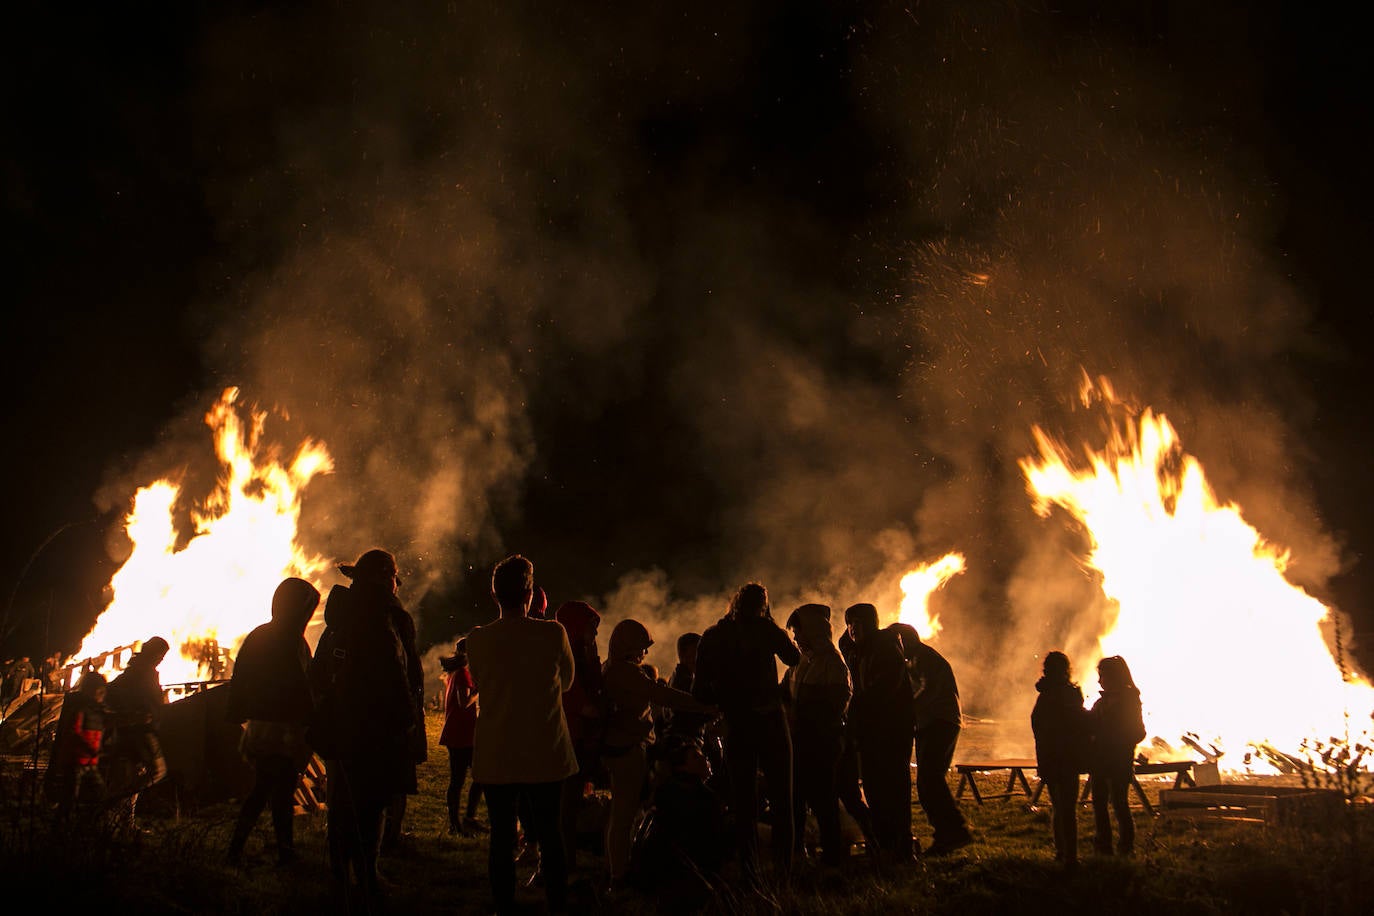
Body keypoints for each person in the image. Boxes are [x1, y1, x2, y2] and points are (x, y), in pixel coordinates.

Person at [465, 555, 578, 916]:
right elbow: (568, 682)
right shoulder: (552, 633)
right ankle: (557, 904)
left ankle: (503, 906)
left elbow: (480, 682)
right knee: (550, 833)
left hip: (498, 751)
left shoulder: (478, 639)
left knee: (501, 836)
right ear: (529, 593)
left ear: (495, 595)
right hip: (545, 749)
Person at [308, 549, 417, 899]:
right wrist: (406, 718)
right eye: (393, 576)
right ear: (383, 577)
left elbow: (318, 671)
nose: (396, 584)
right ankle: (367, 875)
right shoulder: (381, 616)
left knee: (342, 802)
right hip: (375, 726)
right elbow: (395, 670)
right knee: (372, 804)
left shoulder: (340, 617)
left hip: (340, 725)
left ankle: (340, 873)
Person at [693, 582, 800, 882]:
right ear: (763, 606)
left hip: (738, 724)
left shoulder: (712, 637)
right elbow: (794, 658)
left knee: (743, 801)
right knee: (782, 797)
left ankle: (749, 869)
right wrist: (772, 625)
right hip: (770, 720)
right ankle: (783, 870)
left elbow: (700, 691)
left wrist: (725, 701)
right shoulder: (766, 630)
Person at [600, 618, 717, 892]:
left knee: (620, 814)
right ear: (629, 646)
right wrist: (703, 706)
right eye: (642, 646)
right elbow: (662, 695)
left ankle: (615, 869)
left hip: (622, 747)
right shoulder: (625, 672)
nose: (646, 653)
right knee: (624, 815)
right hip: (629, 749)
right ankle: (619, 876)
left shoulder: (614, 668)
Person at [225, 577, 320, 866]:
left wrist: (237, 710)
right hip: (282, 728)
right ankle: (281, 850)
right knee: (276, 792)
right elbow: (301, 684)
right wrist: (313, 715)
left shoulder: (260, 634)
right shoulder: (290, 639)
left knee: (266, 789)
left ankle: (247, 848)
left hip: (263, 726)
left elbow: (240, 676)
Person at [889, 621, 973, 857]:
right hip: (933, 722)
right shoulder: (915, 658)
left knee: (930, 779)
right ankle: (948, 833)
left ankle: (954, 831)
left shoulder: (924, 658)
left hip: (940, 721)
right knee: (928, 781)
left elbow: (928, 689)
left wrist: (908, 711)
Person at [782, 604, 852, 867]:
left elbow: (835, 704)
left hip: (822, 741)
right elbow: (784, 693)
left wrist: (800, 713)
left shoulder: (832, 662)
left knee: (823, 799)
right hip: (800, 741)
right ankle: (798, 851)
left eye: (798, 631)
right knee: (796, 797)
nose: (795, 638)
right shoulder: (800, 661)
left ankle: (833, 854)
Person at [844, 607, 915, 864]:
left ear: (870, 624)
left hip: (890, 730)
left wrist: (857, 712)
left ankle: (900, 845)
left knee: (893, 789)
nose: (852, 629)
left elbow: (881, 691)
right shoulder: (861, 651)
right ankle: (885, 844)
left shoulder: (884, 648)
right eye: (849, 624)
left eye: (856, 623)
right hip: (871, 731)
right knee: (874, 789)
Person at [554, 600, 604, 872]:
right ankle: (563, 860)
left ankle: (566, 856)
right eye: (590, 628)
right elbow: (572, 696)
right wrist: (593, 710)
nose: (594, 635)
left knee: (571, 802)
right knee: (566, 804)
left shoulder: (582, 655)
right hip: (568, 737)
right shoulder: (565, 657)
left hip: (579, 736)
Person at [105, 636, 170, 831]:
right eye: (160, 655)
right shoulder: (137, 673)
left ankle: (126, 823)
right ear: (153, 652)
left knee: (137, 774)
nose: (161, 659)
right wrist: (131, 716)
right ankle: (113, 803)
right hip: (139, 732)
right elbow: (111, 693)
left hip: (142, 730)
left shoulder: (142, 670)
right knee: (156, 770)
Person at [1031, 651, 1089, 866]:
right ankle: (1070, 856)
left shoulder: (1045, 696)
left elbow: (1037, 726)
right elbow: (1079, 722)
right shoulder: (1068, 695)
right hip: (1067, 757)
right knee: (1067, 808)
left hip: (1050, 756)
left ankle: (1061, 852)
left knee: (1059, 806)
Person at [1088, 655, 1145, 857]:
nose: (1099, 680)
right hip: (1100, 761)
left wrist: (1113, 738)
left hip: (1119, 760)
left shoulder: (1130, 702)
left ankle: (1126, 847)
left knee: (1119, 804)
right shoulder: (1100, 703)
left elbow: (1139, 732)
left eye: (1102, 675)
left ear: (1113, 676)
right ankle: (1104, 845)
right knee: (1099, 804)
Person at [45, 671, 108, 819]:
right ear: (90, 690)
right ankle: (62, 825)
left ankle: (85, 821)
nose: (102, 695)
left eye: (103, 691)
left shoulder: (97, 711)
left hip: (90, 762)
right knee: (70, 795)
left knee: (99, 793)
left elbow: (109, 721)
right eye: (99, 691)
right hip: (76, 761)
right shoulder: (80, 710)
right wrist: (90, 748)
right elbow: (74, 732)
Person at [439, 637, 485, 835]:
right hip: (461, 735)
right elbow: (464, 701)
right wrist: (478, 690)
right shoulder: (463, 674)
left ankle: (461, 821)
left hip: (459, 733)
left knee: (470, 777)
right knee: (471, 778)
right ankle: (460, 822)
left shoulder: (455, 673)